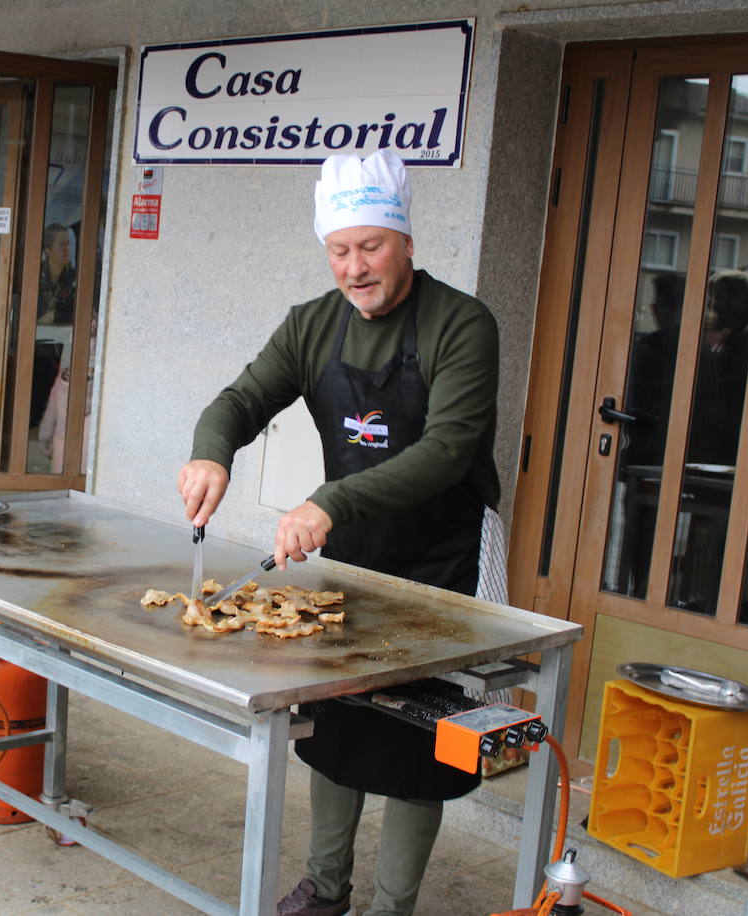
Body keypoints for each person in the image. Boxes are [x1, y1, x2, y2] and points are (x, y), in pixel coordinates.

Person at [178, 149, 500, 916]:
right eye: (339, 250)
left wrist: (326, 503)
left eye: (371, 246)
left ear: (406, 242)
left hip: (447, 556)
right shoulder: (313, 325)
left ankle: (392, 908)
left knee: (421, 741)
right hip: (354, 551)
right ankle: (327, 891)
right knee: (337, 719)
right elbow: (240, 400)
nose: (355, 267)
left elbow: (448, 451)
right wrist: (211, 452)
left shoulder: (462, 324)